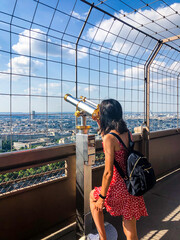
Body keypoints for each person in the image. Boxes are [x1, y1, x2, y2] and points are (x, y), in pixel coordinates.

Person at [90, 99, 148, 240]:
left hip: (118, 187)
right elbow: (113, 141)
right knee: (130, 232)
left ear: (105, 116)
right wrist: (100, 125)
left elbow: (108, 173)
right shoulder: (127, 133)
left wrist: (102, 199)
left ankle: (103, 238)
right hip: (131, 185)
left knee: (93, 196)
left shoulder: (109, 138)